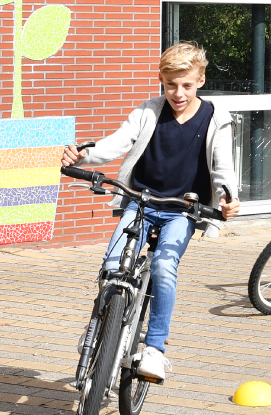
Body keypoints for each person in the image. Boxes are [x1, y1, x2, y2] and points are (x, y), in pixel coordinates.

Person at [61, 43, 240, 380]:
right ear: (161, 80)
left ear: (200, 80)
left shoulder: (216, 118)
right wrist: (81, 157)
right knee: (112, 264)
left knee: (163, 264)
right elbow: (116, 142)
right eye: (171, 84)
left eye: (186, 84)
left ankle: (155, 348)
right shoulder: (149, 111)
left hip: (181, 211)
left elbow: (222, 167)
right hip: (141, 201)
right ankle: (99, 325)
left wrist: (228, 198)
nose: (178, 92)